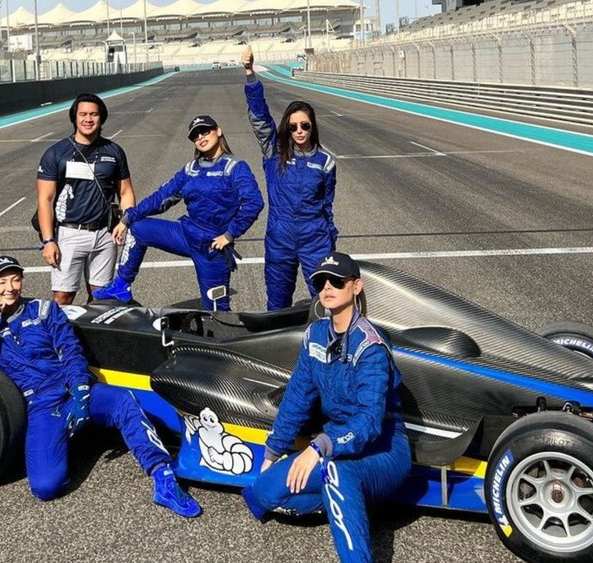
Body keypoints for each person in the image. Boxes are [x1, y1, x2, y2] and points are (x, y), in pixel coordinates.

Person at [0, 255, 201, 517]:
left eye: (16, 279)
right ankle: (72, 437)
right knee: (46, 487)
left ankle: (163, 478)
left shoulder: (43, 309)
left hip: (73, 390)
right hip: (41, 406)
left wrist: (81, 392)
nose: (10, 287)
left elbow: (70, 351)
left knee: (122, 400)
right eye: (2, 282)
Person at [241, 252, 411, 563]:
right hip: (335, 442)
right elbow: (297, 397)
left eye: (337, 281)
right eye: (321, 281)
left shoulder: (370, 346)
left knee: (335, 470)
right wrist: (272, 452)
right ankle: (352, 500)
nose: (327, 287)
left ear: (356, 286)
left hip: (384, 447)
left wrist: (319, 447)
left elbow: (370, 422)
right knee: (261, 493)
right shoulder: (316, 335)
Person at [93, 115, 263, 311]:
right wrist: (127, 217)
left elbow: (254, 202)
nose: (200, 137)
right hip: (185, 234)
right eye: (195, 135)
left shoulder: (234, 167)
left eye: (205, 131)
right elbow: (162, 197)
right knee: (138, 227)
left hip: (212, 247)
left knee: (217, 311)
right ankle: (121, 285)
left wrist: (230, 234)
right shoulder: (190, 169)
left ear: (218, 131)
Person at [241, 45, 338, 311]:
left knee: (325, 305)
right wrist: (250, 74)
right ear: (287, 126)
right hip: (279, 239)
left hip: (315, 239)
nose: (299, 130)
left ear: (312, 126)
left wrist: (330, 244)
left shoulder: (326, 162)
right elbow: (260, 118)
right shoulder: (275, 151)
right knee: (277, 305)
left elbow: (326, 205)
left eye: (305, 125)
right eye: (293, 125)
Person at [37, 93, 135, 306]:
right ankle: (62, 339)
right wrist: (48, 241)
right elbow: (45, 199)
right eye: (83, 114)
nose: (88, 119)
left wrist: (125, 222)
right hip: (69, 234)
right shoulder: (56, 153)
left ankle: (91, 339)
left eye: (94, 114)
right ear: (74, 117)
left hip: (104, 235)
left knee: (100, 297)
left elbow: (126, 192)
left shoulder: (114, 151)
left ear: (101, 118)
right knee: (63, 297)